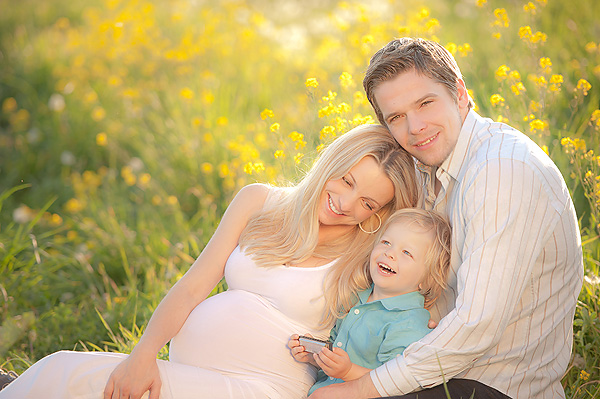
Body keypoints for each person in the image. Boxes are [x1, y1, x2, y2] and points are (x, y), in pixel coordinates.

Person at [0, 123, 420, 399]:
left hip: (265, 389)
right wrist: (143, 355)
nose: (345, 204)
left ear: (379, 213)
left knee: (65, 376)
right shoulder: (260, 201)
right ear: (331, 163)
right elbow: (192, 286)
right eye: (345, 181)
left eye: (366, 202)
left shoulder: (369, 253)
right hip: (197, 373)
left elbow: (407, 308)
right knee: (64, 373)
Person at [308, 37, 584, 399]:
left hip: (487, 386)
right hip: (431, 367)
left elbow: (476, 324)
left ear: (459, 93)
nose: (415, 127)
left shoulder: (501, 171)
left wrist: (361, 387)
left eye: (425, 103)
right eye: (397, 117)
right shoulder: (429, 168)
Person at [289, 208, 451, 395]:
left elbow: (395, 381)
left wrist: (349, 371)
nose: (390, 253)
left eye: (407, 252)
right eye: (386, 242)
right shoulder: (356, 297)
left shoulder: (409, 321)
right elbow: (337, 347)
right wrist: (315, 356)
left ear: (427, 278)